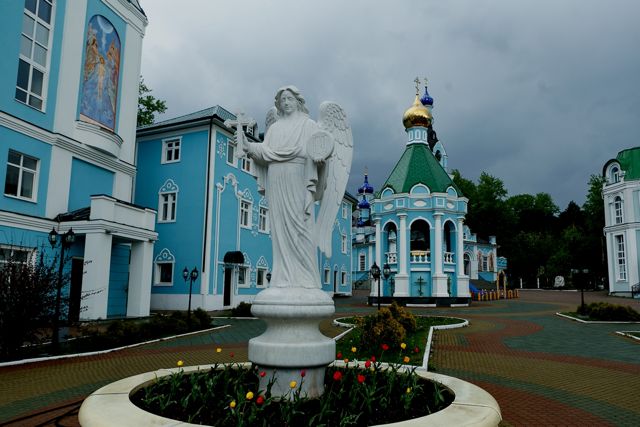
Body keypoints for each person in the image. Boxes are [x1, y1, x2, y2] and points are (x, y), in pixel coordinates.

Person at [240, 86, 323, 289]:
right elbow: (265, 151)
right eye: (283, 99)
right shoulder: (275, 128)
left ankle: (306, 278)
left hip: (298, 177)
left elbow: (319, 151)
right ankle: (281, 277)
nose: (286, 102)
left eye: (289, 98)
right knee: (279, 230)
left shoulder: (309, 125)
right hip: (277, 179)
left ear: (298, 101)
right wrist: (248, 145)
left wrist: (321, 160)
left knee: (301, 226)